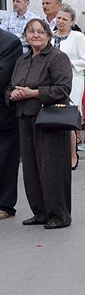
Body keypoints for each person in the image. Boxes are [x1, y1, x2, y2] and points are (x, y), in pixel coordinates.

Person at [4, 19, 73, 229]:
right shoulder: (23, 60)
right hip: (24, 117)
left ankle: (59, 215)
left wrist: (34, 93)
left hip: (48, 119)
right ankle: (40, 212)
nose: (36, 35)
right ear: (25, 35)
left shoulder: (57, 57)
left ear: (48, 35)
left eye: (41, 32)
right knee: (31, 168)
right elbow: (8, 87)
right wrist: (12, 94)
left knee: (51, 167)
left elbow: (62, 89)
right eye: (31, 32)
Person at [53, 5, 85, 169]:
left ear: (72, 22)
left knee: (68, 117)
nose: (60, 21)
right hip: (51, 81)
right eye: (59, 18)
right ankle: (55, 155)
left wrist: (68, 63)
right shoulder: (50, 36)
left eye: (64, 19)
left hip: (72, 80)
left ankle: (72, 155)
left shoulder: (77, 37)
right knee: (53, 116)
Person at [0, 29, 23, 220]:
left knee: (5, 159)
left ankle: (5, 205)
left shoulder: (10, 42)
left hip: (3, 113)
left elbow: (3, 77)